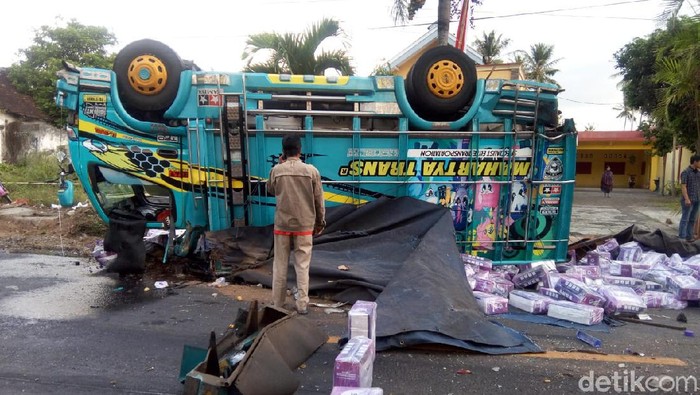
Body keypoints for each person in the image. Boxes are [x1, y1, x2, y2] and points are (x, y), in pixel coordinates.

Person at [267, 134, 325, 314]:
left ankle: (277, 303)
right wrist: (320, 222)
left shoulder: (277, 170)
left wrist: (280, 164)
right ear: (300, 151)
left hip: (282, 225)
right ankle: (302, 304)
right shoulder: (311, 171)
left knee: (280, 264)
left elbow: (270, 190)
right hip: (304, 226)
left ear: (283, 152)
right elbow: (318, 200)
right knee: (302, 265)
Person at [679, 154, 700, 242]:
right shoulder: (685, 172)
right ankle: (682, 237)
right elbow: (684, 186)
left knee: (692, 219)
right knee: (685, 218)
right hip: (688, 199)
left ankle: (689, 236)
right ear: (695, 161)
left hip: (697, 199)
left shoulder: (698, 173)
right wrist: (687, 199)